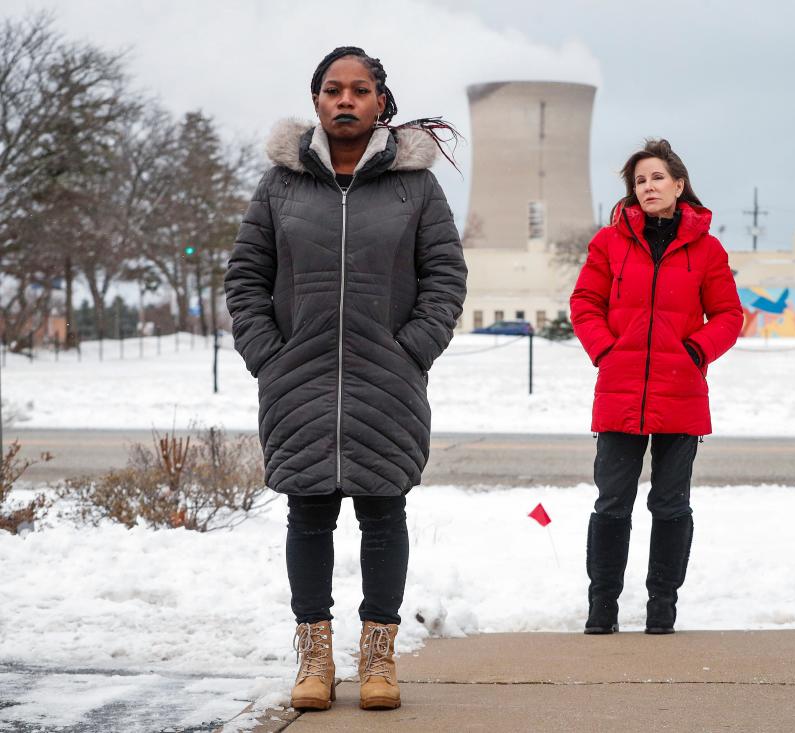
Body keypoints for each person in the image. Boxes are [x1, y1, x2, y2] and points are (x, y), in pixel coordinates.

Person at [224, 46, 467, 712]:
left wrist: (409, 350)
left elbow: (445, 277)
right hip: (296, 378)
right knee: (307, 515)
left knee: (384, 512)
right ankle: (314, 656)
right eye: (333, 89)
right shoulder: (280, 185)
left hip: (386, 380)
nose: (345, 100)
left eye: (359, 90)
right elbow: (245, 276)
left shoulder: (415, 186)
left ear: (380, 101)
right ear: (316, 101)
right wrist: (269, 355)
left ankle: (378, 658)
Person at [570, 139, 742, 636]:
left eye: (657, 178)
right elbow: (584, 303)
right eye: (639, 181)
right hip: (620, 393)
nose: (648, 187)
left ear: (679, 185)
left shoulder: (707, 250)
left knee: (671, 506)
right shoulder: (608, 243)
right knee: (611, 504)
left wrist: (695, 351)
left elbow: (729, 315)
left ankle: (661, 605)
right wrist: (607, 351)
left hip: (680, 394)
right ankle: (602, 606)